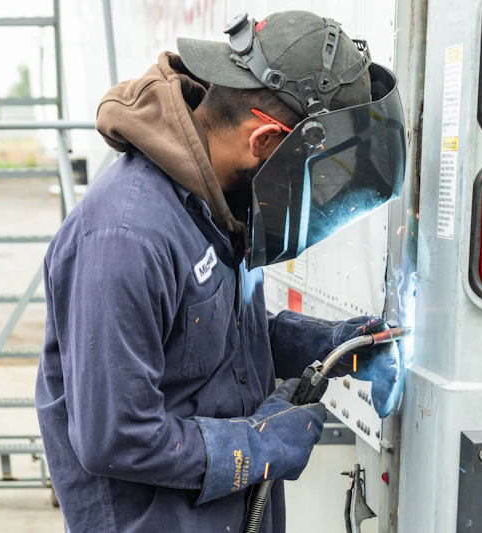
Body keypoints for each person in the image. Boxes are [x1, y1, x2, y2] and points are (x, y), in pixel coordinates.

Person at [35, 10, 406, 533]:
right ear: (265, 142)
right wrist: (256, 445)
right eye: (316, 169)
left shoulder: (219, 206)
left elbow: (205, 341)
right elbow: (115, 437)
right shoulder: (125, 239)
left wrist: (328, 345)